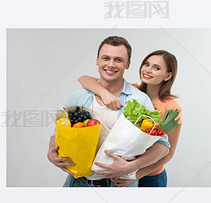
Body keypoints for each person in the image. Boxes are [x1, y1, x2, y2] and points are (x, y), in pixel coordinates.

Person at [47, 36, 170, 187]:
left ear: (128, 64)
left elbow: (163, 146)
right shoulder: (78, 96)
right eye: (106, 58)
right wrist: (51, 150)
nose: (111, 64)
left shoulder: (140, 100)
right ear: (97, 60)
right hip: (77, 181)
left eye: (118, 60)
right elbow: (57, 133)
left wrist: (133, 166)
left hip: (118, 185)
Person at [78, 49, 182, 187]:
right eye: (146, 64)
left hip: (150, 175)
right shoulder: (133, 92)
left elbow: (168, 152)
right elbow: (83, 79)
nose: (148, 70)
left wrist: (135, 174)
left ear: (168, 76)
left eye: (156, 68)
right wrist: (104, 93)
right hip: (119, 171)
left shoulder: (171, 107)